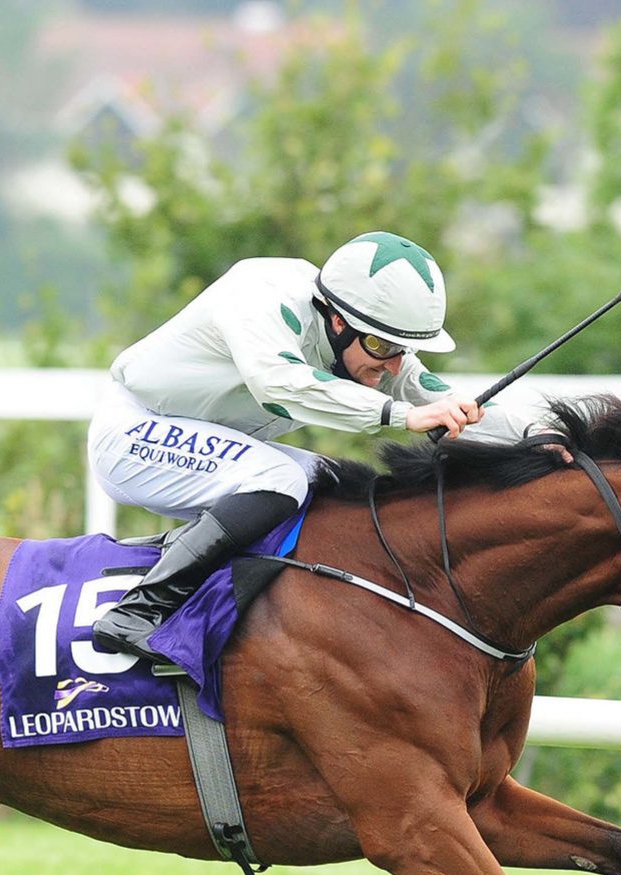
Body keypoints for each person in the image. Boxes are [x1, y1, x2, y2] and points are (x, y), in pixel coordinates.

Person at [88, 230, 529, 665]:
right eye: (381, 346)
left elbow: (440, 398)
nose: (392, 364)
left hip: (201, 439)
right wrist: (400, 416)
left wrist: (540, 440)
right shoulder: (261, 296)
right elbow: (279, 385)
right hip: (134, 433)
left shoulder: (362, 328)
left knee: (332, 481)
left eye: (403, 349)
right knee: (282, 480)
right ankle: (136, 612)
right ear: (338, 322)